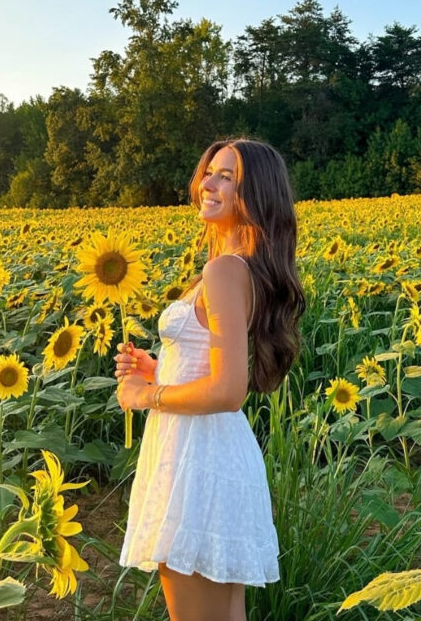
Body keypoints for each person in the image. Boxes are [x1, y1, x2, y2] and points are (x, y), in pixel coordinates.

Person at [114, 138, 305, 621]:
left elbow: (227, 390)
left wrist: (147, 395)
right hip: (213, 453)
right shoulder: (244, 269)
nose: (210, 184)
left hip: (196, 458)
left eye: (229, 178)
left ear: (255, 196)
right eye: (212, 172)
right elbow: (216, 367)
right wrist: (162, 370)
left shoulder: (223, 270)